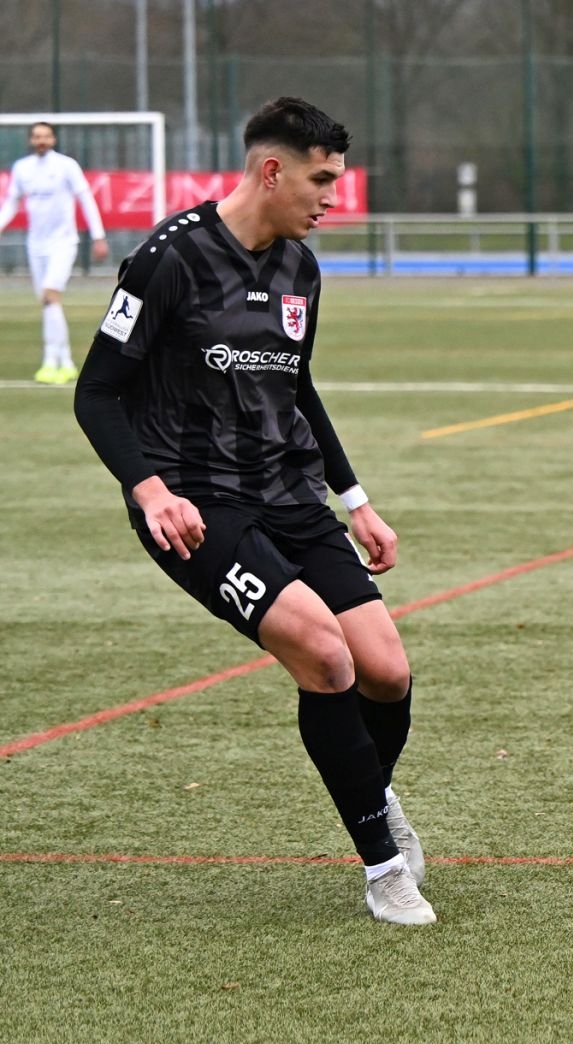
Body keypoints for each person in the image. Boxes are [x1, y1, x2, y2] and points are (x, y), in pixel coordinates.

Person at [72, 97, 434, 925]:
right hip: (196, 509)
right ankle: (383, 869)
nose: (331, 197)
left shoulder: (301, 268)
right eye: (321, 179)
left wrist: (357, 501)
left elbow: (298, 389)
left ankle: (373, 801)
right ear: (272, 171)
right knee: (325, 656)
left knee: (386, 671)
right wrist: (150, 490)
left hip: (289, 494)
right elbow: (96, 394)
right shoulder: (169, 258)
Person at [0, 121, 109, 383]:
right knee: (49, 303)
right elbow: (12, 202)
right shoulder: (22, 168)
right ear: (31, 140)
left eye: (46, 136)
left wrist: (98, 236)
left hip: (63, 243)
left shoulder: (66, 166)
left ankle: (50, 361)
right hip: (36, 245)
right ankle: (66, 362)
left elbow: (86, 199)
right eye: (37, 136)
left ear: (53, 139)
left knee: (50, 296)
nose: (42, 140)